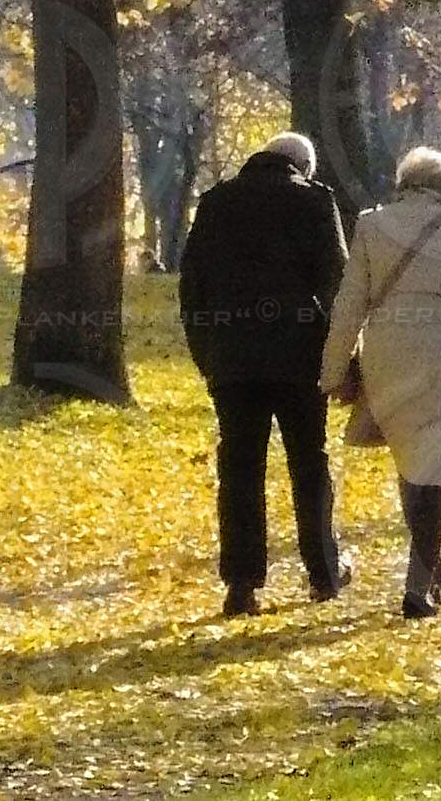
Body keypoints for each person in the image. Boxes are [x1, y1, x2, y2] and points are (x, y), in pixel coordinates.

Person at [320, 146, 441, 619]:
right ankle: (419, 583)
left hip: (389, 359)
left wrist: (333, 371)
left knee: (411, 463)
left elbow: (349, 306)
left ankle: (428, 566)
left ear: (406, 183)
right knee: (436, 470)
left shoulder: (371, 226)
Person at [179, 131, 351, 616]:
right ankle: (323, 573)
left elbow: (192, 286)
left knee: (239, 468)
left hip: (232, 359)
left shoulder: (216, 203)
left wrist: (207, 353)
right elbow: (337, 282)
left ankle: (241, 584)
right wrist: (339, 354)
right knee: (309, 463)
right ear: (303, 167)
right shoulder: (315, 201)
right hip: (300, 358)